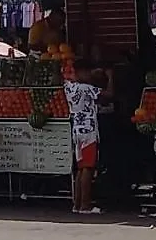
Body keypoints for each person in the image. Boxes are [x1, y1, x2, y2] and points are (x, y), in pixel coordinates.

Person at [65, 68, 110, 214]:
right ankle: (85, 205)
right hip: (88, 131)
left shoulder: (69, 87)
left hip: (77, 130)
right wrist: (110, 76)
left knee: (80, 168)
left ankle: (77, 204)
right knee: (88, 168)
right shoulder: (86, 88)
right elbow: (109, 95)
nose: (89, 74)